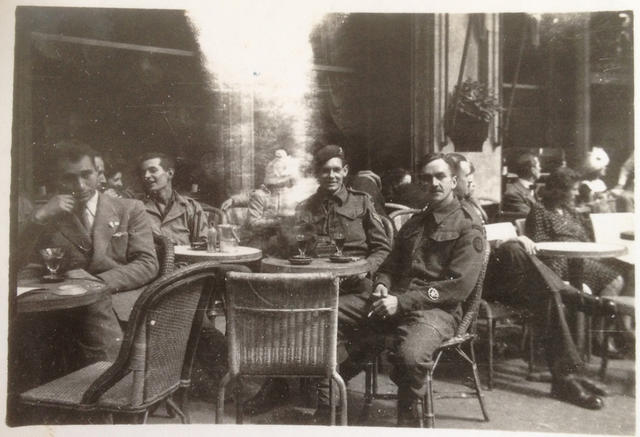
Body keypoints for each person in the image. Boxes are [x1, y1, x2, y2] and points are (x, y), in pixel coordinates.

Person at [315, 152, 485, 426]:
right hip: (393, 302)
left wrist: (401, 302)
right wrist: (382, 285)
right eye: (427, 178)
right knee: (325, 312)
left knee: (411, 356)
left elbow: (458, 288)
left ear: (454, 181)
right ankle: (328, 402)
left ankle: (409, 420)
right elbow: (389, 265)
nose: (434, 183)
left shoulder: (468, 225)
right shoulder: (416, 222)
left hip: (436, 311)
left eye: (441, 177)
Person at [243, 145, 391, 416]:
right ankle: (278, 384)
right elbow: (294, 249)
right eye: (325, 171)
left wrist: (366, 269)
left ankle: (327, 401)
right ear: (317, 174)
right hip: (314, 286)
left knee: (321, 320)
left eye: (336, 170)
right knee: (279, 313)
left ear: (345, 171)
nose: (331, 175)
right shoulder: (305, 207)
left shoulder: (362, 202)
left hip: (355, 288)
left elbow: (382, 248)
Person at [455, 155, 612, 409]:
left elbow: (484, 234)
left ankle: (566, 377)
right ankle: (574, 296)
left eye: (471, 176)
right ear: (453, 180)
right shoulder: (445, 210)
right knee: (513, 251)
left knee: (548, 295)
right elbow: (465, 249)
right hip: (473, 282)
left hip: (497, 279)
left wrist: (511, 236)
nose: (471, 181)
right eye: (466, 177)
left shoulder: (471, 204)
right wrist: (506, 241)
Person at [17, 140, 159, 364]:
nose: (80, 186)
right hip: (64, 304)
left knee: (92, 308)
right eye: (69, 178)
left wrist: (95, 282)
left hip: (118, 299)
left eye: (86, 175)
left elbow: (147, 263)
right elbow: (19, 262)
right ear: (57, 179)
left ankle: (111, 386)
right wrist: (38, 218)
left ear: (98, 173)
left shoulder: (129, 209)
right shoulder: (49, 214)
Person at [526, 167, 627, 356]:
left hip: (579, 261)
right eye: (572, 189)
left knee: (619, 274)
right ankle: (592, 339)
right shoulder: (539, 211)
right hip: (556, 265)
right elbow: (540, 245)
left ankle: (596, 335)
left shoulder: (570, 211)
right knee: (613, 280)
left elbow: (585, 237)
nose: (576, 193)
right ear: (558, 190)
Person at [139, 152, 208, 246]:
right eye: (143, 172)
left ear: (170, 173)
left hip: (185, 260)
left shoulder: (191, 207)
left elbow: (202, 245)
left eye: (153, 170)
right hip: (151, 260)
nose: (146, 176)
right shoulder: (138, 208)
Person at [242, 149, 302, 253]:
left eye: (288, 182)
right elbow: (253, 223)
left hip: (288, 241)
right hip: (263, 242)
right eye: (283, 182)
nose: (286, 186)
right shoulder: (260, 195)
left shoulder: (294, 195)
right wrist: (277, 222)